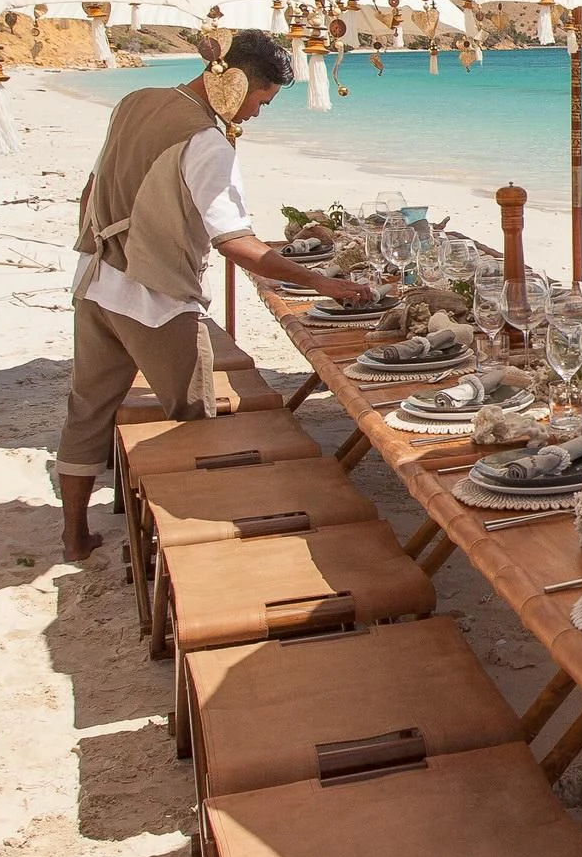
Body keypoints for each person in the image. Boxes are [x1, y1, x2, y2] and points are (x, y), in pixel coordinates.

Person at [52, 30, 373, 563]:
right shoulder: (206, 142)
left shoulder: (135, 101)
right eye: (260, 100)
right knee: (194, 417)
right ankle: (187, 542)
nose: (256, 114)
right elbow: (236, 243)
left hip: (94, 280)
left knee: (87, 408)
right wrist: (321, 283)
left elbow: (94, 187)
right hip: (153, 299)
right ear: (239, 81)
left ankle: (73, 537)